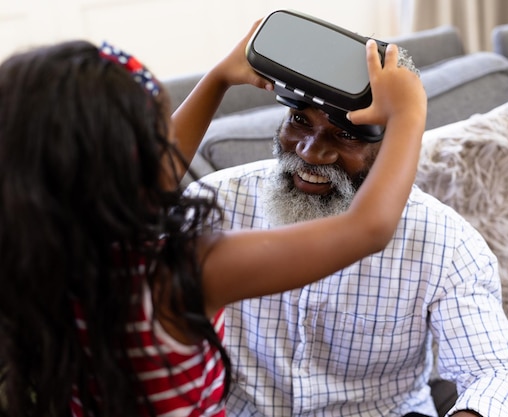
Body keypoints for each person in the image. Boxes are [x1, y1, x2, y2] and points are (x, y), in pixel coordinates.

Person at [0, 20, 426, 417]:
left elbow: (150, 179)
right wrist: (408, 113)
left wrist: (220, 77)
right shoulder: (179, 274)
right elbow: (366, 229)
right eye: (154, 135)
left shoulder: (35, 256)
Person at [194, 40, 508, 417]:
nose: (309, 151)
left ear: (394, 147)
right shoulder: (216, 204)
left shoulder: (445, 242)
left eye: (346, 134)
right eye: (300, 121)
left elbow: (497, 373)